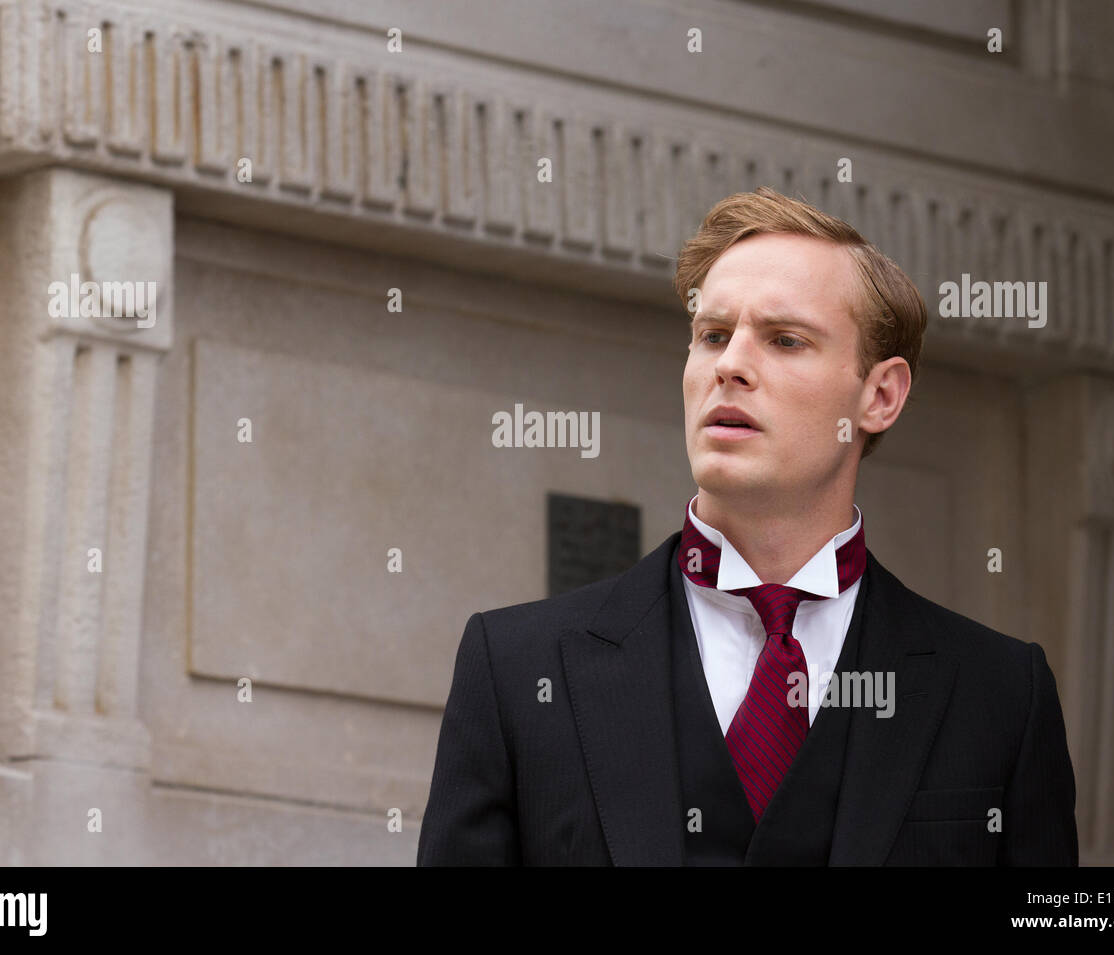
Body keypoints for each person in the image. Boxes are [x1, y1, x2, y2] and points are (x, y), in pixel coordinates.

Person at [416, 186, 1078, 866]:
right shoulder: (516, 667)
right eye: (712, 335)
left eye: (785, 339)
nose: (729, 364)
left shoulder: (1000, 695)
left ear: (880, 396)